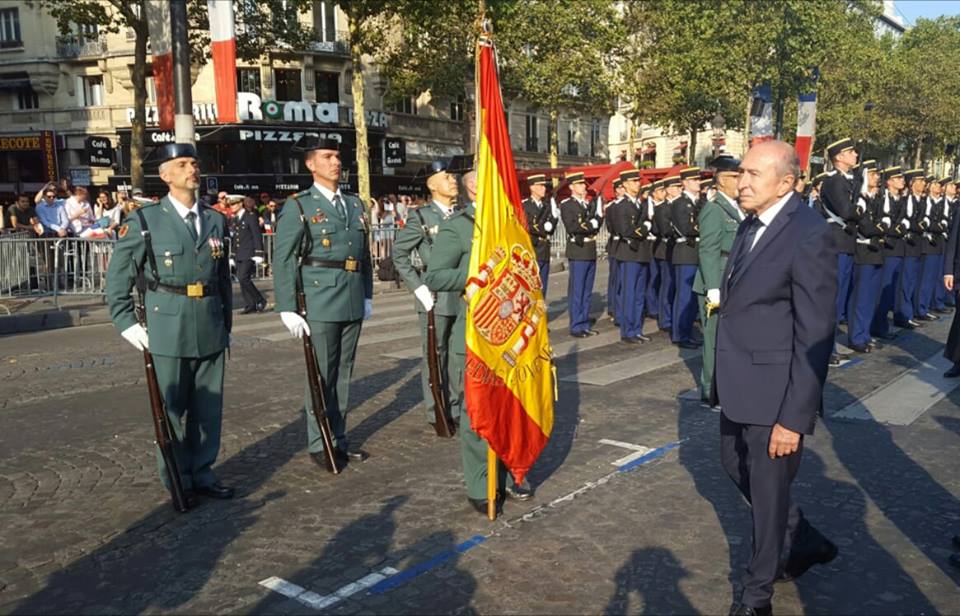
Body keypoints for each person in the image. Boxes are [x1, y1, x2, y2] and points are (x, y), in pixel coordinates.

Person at [712, 141, 838, 616]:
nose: (740, 182)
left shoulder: (809, 234)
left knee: (766, 498)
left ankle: (756, 596)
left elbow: (816, 334)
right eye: (740, 173)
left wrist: (794, 417)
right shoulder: (751, 222)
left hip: (776, 392)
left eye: (751, 175)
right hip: (739, 383)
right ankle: (799, 536)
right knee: (731, 463)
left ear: (786, 182)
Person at [105, 142, 235, 506]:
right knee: (172, 409)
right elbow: (118, 279)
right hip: (167, 325)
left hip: (209, 321)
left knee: (208, 408)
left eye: (193, 162)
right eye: (182, 164)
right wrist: (126, 321)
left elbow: (222, 279)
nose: (191, 169)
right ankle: (178, 479)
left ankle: (203, 472)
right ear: (165, 176)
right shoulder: (145, 221)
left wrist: (226, 324)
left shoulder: (215, 220)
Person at [423, 199, 531, 515]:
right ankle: (480, 484)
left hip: (511, 333)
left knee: (511, 407)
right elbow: (437, 276)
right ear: (475, 184)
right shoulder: (458, 226)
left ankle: (510, 473)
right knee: (477, 415)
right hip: (474, 334)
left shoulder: (511, 222)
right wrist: (479, 275)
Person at [273, 136, 374, 468]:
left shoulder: (355, 204)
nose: (336, 162)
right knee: (321, 374)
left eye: (337, 156)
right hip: (319, 299)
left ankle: (339, 438)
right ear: (310, 164)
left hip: (351, 294)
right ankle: (320, 442)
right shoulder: (300, 206)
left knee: (343, 374)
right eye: (328, 156)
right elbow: (285, 258)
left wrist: (368, 293)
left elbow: (363, 256)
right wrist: (288, 306)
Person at [392, 160, 464, 431]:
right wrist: (418, 286)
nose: (453, 181)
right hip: (434, 296)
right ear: (432, 185)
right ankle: (437, 411)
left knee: (458, 356)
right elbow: (399, 255)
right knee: (436, 354)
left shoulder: (463, 214)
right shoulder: (421, 217)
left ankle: (456, 407)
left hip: (461, 293)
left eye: (453, 177)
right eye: (447, 177)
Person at [694, 155, 742, 404]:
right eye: (736, 177)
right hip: (716, 282)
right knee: (713, 341)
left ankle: (726, 385)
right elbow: (709, 250)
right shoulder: (714, 210)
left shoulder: (737, 207)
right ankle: (710, 390)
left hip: (732, 280)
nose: (741, 181)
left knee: (728, 340)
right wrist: (713, 287)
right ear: (722, 180)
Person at [845, 160, 886, 354]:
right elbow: (866, 227)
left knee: (870, 297)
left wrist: (879, 228)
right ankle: (856, 337)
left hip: (876, 251)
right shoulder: (860, 198)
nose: (877, 177)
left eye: (878, 174)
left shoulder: (877, 198)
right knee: (860, 297)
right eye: (873, 174)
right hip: (863, 250)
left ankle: (865, 333)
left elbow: (885, 222)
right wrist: (878, 229)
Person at [819, 138, 860, 327]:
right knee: (834, 294)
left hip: (846, 242)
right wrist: (861, 208)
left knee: (842, 293)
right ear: (840, 156)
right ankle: (828, 345)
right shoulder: (834, 181)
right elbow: (845, 211)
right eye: (851, 152)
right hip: (838, 242)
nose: (856, 155)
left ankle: (831, 341)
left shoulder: (848, 180)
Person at [609, 168, 652, 344]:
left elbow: (638, 228)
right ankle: (628, 331)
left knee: (639, 293)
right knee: (629, 293)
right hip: (628, 254)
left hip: (641, 252)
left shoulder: (640, 205)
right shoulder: (621, 206)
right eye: (634, 182)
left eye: (638, 181)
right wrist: (645, 228)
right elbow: (626, 230)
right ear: (625, 185)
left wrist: (642, 228)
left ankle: (636, 329)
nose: (638, 184)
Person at [560, 171, 602, 337]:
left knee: (587, 290)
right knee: (578, 289)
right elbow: (573, 227)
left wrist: (595, 221)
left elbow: (596, 224)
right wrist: (591, 224)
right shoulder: (567, 205)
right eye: (579, 184)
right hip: (578, 250)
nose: (583, 187)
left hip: (590, 249)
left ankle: (583, 321)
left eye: (583, 184)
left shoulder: (587, 204)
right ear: (571, 187)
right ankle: (577, 325)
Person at [870, 166, 907, 341]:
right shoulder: (882, 199)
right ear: (889, 181)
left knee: (890, 290)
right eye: (898, 178)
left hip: (898, 248)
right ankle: (878, 325)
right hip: (888, 247)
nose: (902, 181)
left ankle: (881, 324)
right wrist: (897, 231)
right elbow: (882, 223)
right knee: (882, 290)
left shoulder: (900, 199)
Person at [670, 167, 702, 349]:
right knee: (684, 296)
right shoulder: (680, 203)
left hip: (696, 251)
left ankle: (688, 331)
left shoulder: (698, 202)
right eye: (695, 180)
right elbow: (686, 228)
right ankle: (680, 334)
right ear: (686, 183)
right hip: (685, 251)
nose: (698, 182)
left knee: (692, 298)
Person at [897, 169, 927, 330]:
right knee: (905, 282)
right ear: (912, 183)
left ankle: (908, 313)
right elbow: (908, 221)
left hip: (917, 245)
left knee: (911, 281)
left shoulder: (920, 201)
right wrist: (920, 226)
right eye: (920, 180)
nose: (923, 183)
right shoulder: (907, 200)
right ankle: (903, 315)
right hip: (909, 245)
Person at [522, 174, 559, 297]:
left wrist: (554, 218)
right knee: (531, 285)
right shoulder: (525, 205)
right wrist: (545, 228)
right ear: (532, 188)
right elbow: (530, 226)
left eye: (544, 186)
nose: (544, 188)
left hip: (544, 249)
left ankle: (541, 312)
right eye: (541, 186)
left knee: (543, 286)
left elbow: (551, 229)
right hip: (533, 249)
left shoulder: (546, 205)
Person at [915, 176, 946, 322]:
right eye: (936, 184)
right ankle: (920, 308)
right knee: (925, 279)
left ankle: (925, 306)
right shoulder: (926, 201)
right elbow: (925, 222)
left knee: (932, 278)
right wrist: (937, 227)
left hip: (937, 243)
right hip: (927, 243)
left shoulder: (940, 202)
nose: (939, 187)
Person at [229, 196, 267, 314]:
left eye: (234, 204)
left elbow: (256, 235)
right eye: (230, 205)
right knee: (242, 280)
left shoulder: (250, 216)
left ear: (241, 204)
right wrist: (232, 255)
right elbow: (236, 239)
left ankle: (260, 299)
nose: (232, 207)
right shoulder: (235, 219)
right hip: (240, 253)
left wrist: (259, 252)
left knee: (243, 278)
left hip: (249, 253)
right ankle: (250, 304)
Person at [605, 179, 625, 324]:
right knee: (616, 280)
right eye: (621, 188)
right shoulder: (612, 207)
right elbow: (611, 228)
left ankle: (622, 308)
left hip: (624, 245)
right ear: (617, 190)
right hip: (616, 245)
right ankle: (614, 308)